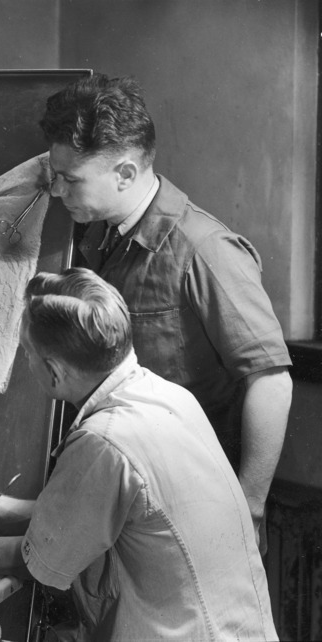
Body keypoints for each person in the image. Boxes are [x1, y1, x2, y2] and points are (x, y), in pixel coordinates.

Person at [0, 268, 278, 640]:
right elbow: (64, 518)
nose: (26, 363)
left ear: (53, 372)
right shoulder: (169, 396)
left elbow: (37, 559)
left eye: (27, 353)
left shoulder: (104, 442)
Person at [40, 74, 292, 550]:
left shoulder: (205, 251)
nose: (56, 191)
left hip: (197, 506)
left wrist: (250, 505)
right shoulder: (97, 235)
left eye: (70, 179)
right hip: (124, 494)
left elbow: (271, 379)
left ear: (126, 174)